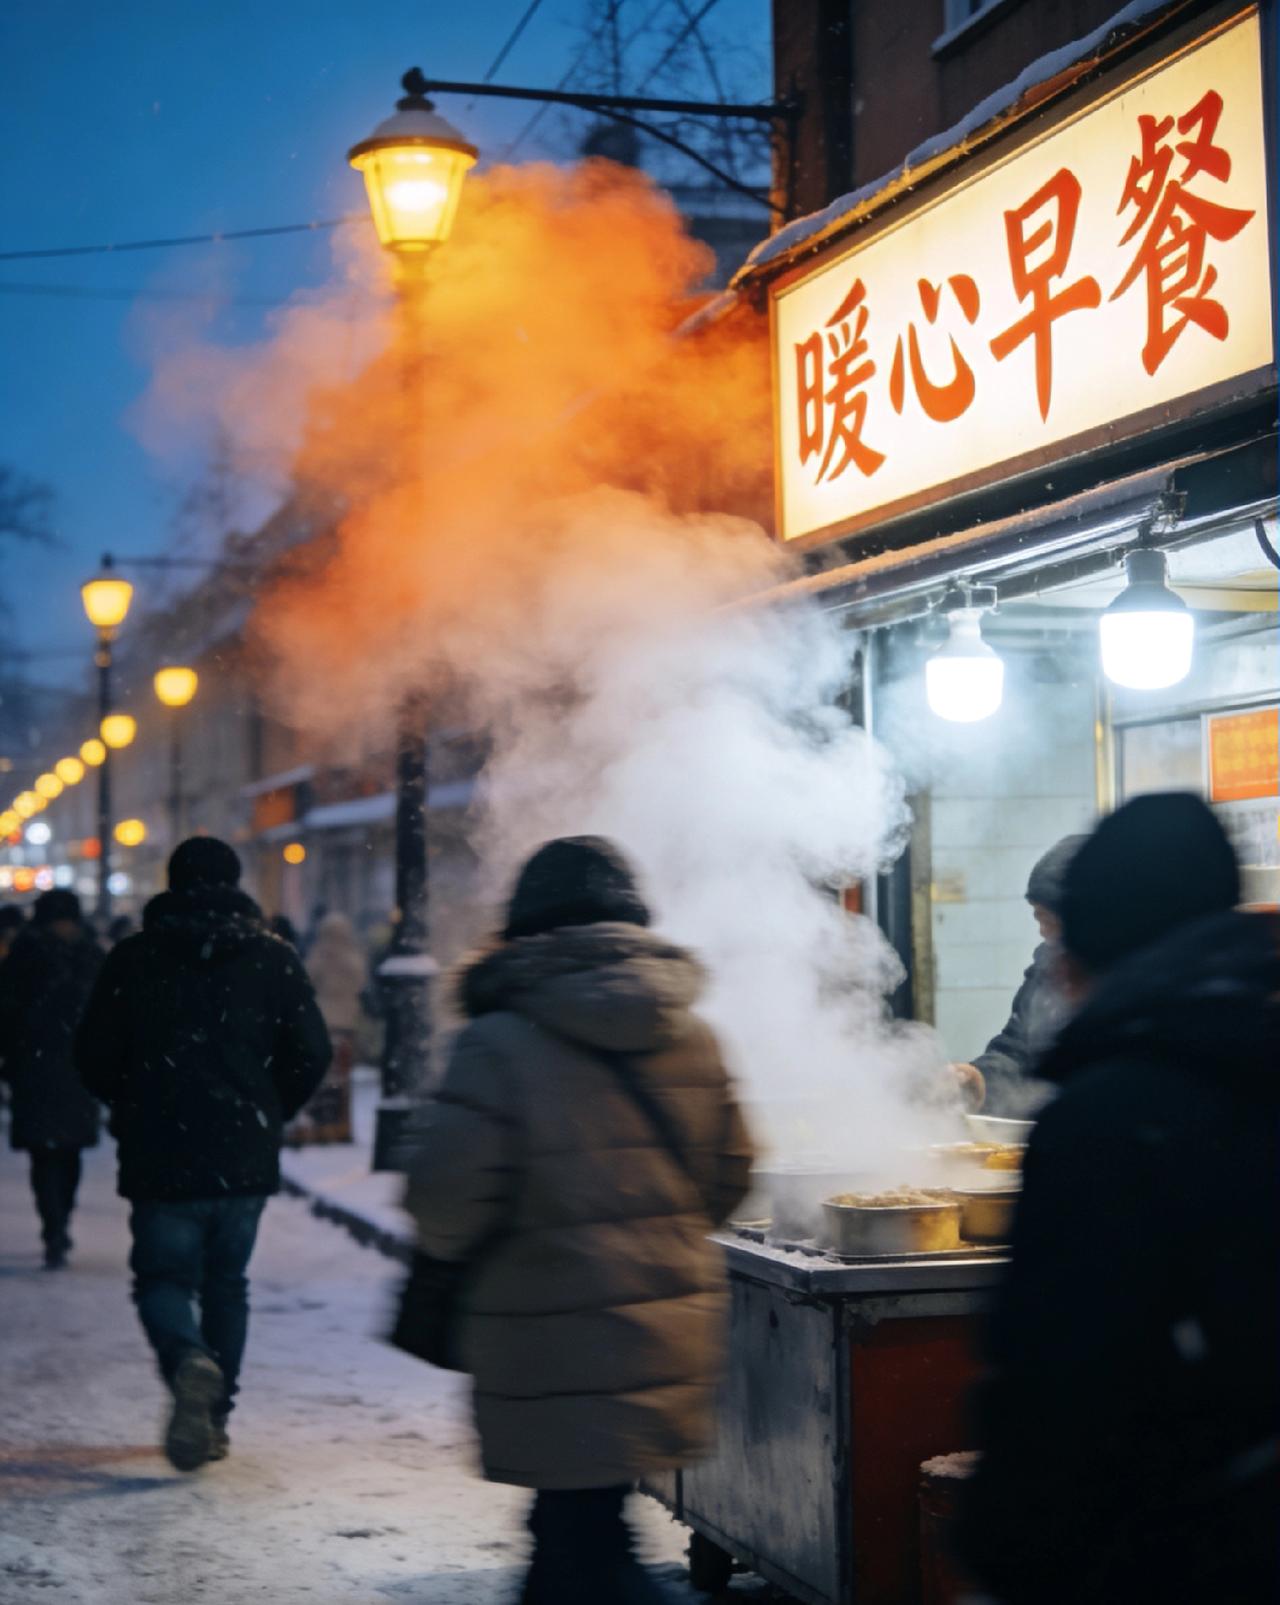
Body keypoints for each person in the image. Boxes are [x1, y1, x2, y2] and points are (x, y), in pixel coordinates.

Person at [404, 836, 754, 1605]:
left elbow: (445, 1202)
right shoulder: (692, 1033)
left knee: (584, 1545)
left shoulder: (494, 1042)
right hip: (664, 1327)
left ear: (526, 926)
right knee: (578, 1533)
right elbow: (732, 1175)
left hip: (545, 1334)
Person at [958, 793, 1280, 1605]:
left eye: (1058, 932)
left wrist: (1003, 1551)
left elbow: (1059, 1380)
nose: (1051, 955)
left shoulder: (1105, 1120)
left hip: (1154, 1549)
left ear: (1097, 937)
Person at [75, 836, 330, 1472]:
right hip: (243, 1149)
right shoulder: (273, 959)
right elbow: (312, 1051)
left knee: (162, 1279)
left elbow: (93, 1053)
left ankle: (188, 1360)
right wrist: (270, 1109)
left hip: (159, 1147)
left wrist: (130, 1100)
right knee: (227, 1284)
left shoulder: (134, 958)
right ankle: (216, 1418)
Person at [0, 890, 102, 1269]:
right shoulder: (88, 956)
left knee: (53, 1155)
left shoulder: (24, 957)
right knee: (57, 1155)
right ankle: (55, 1224)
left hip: (42, 1069)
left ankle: (56, 1223)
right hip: (64, 1069)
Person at [954, 834, 1085, 1115]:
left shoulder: (1139, 976)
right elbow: (1015, 1051)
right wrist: (977, 1080)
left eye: (1052, 920)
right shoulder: (1046, 967)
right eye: (1039, 919)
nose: (1044, 932)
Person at [300, 912, 367, 1143]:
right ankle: (340, 1125)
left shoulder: (318, 954)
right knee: (342, 1078)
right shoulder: (352, 957)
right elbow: (360, 983)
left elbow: (306, 980)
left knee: (324, 1077)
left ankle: (323, 1125)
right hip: (347, 1024)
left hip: (324, 1022)